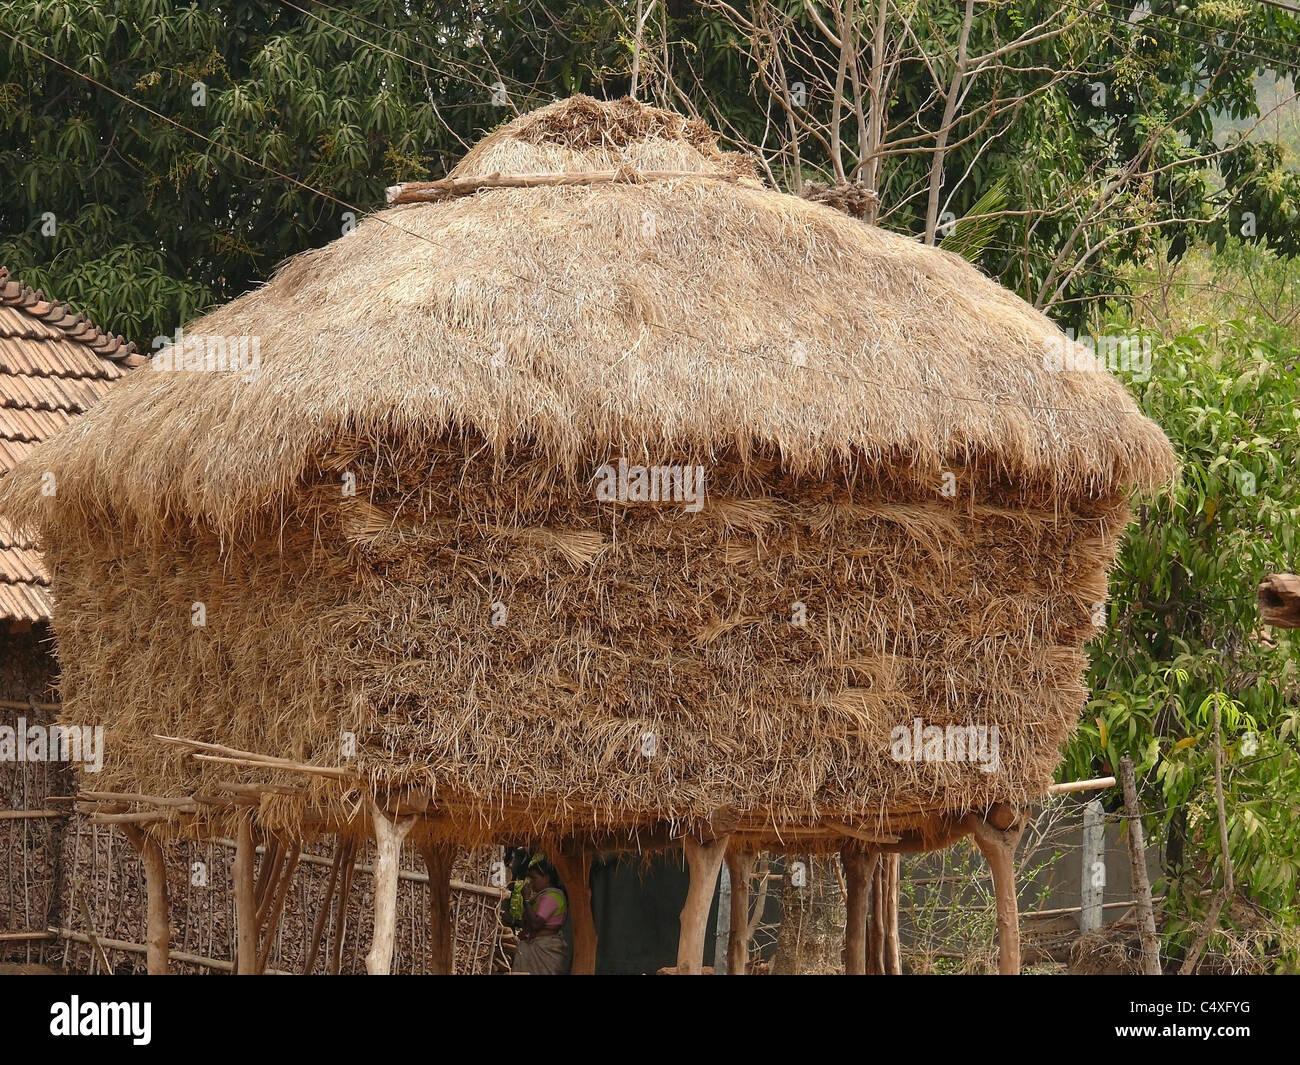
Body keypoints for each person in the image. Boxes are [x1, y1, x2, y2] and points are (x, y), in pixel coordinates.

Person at [510, 855, 570, 974]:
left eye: (534, 878)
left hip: (544, 947)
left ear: (547, 878)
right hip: (537, 945)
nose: (531, 883)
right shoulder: (541, 897)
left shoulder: (552, 896)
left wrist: (526, 899)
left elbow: (536, 923)